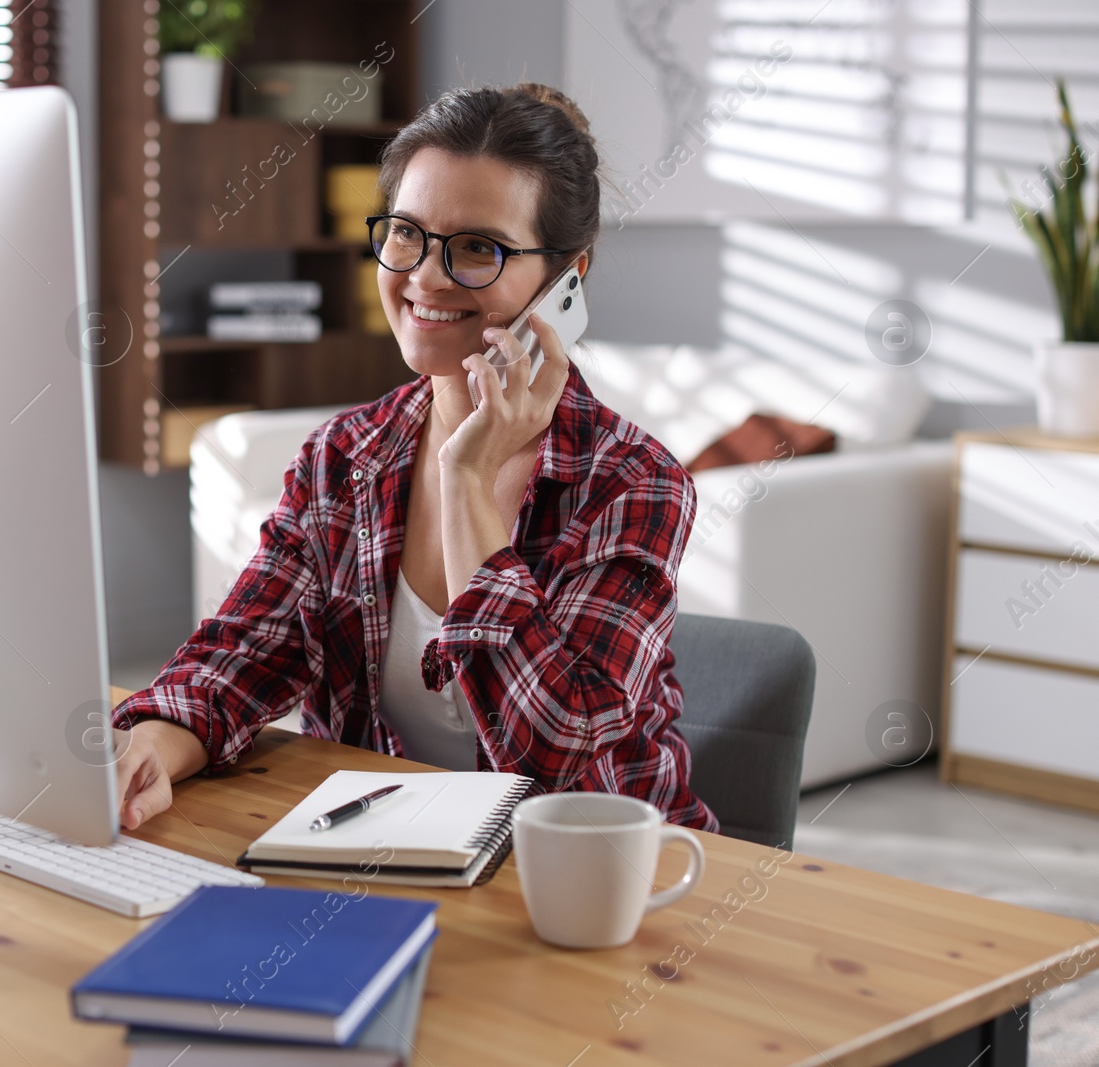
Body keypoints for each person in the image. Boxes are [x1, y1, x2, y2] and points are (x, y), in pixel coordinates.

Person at [110, 82, 718, 834]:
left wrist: (465, 477)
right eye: (405, 233)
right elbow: (243, 649)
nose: (426, 277)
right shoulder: (345, 457)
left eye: (476, 248)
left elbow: (560, 759)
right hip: (379, 856)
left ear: (567, 278)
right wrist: (151, 750)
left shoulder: (633, 482)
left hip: (594, 887)